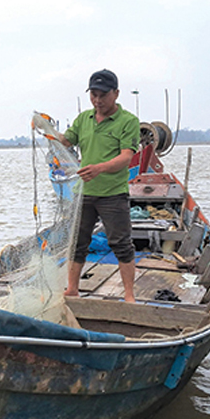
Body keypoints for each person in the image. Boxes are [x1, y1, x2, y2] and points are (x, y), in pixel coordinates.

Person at [57, 69, 140, 302]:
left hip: (113, 193)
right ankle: (72, 288)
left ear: (116, 94)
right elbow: (65, 140)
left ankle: (129, 294)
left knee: (121, 244)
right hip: (83, 193)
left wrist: (99, 168)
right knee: (77, 243)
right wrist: (46, 129)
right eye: (93, 95)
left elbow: (126, 157)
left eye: (103, 95)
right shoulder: (84, 119)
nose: (98, 100)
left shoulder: (128, 122)